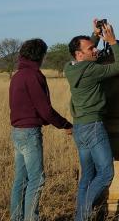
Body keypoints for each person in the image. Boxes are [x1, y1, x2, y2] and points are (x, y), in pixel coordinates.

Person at [64, 20, 119, 221]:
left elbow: (86, 53)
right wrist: (113, 41)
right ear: (79, 54)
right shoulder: (92, 71)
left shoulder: (69, 68)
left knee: (87, 176)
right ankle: (83, 214)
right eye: (91, 49)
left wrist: (95, 35)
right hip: (93, 126)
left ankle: (79, 218)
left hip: (79, 127)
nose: (95, 50)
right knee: (106, 173)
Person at [9, 39, 72, 221]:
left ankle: (16, 218)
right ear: (40, 55)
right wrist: (66, 125)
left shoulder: (17, 75)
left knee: (20, 180)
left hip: (17, 131)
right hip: (29, 133)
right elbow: (45, 110)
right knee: (37, 180)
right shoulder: (33, 76)